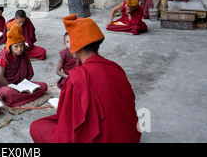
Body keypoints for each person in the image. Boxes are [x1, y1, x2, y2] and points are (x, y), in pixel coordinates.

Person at [30, 14, 141, 143]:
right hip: (129, 137)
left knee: (36, 126)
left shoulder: (76, 79)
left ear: (78, 45)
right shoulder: (116, 68)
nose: (69, 45)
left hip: (101, 137)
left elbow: (66, 119)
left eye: (72, 40)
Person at [0, 24, 48, 107]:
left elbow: (27, 74)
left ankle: (20, 96)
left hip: (19, 84)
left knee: (43, 86)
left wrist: (20, 86)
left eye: (21, 45)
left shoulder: (23, 54)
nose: (19, 49)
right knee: (8, 93)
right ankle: (20, 95)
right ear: (10, 46)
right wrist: (13, 87)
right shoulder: (4, 56)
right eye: (16, 46)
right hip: (6, 85)